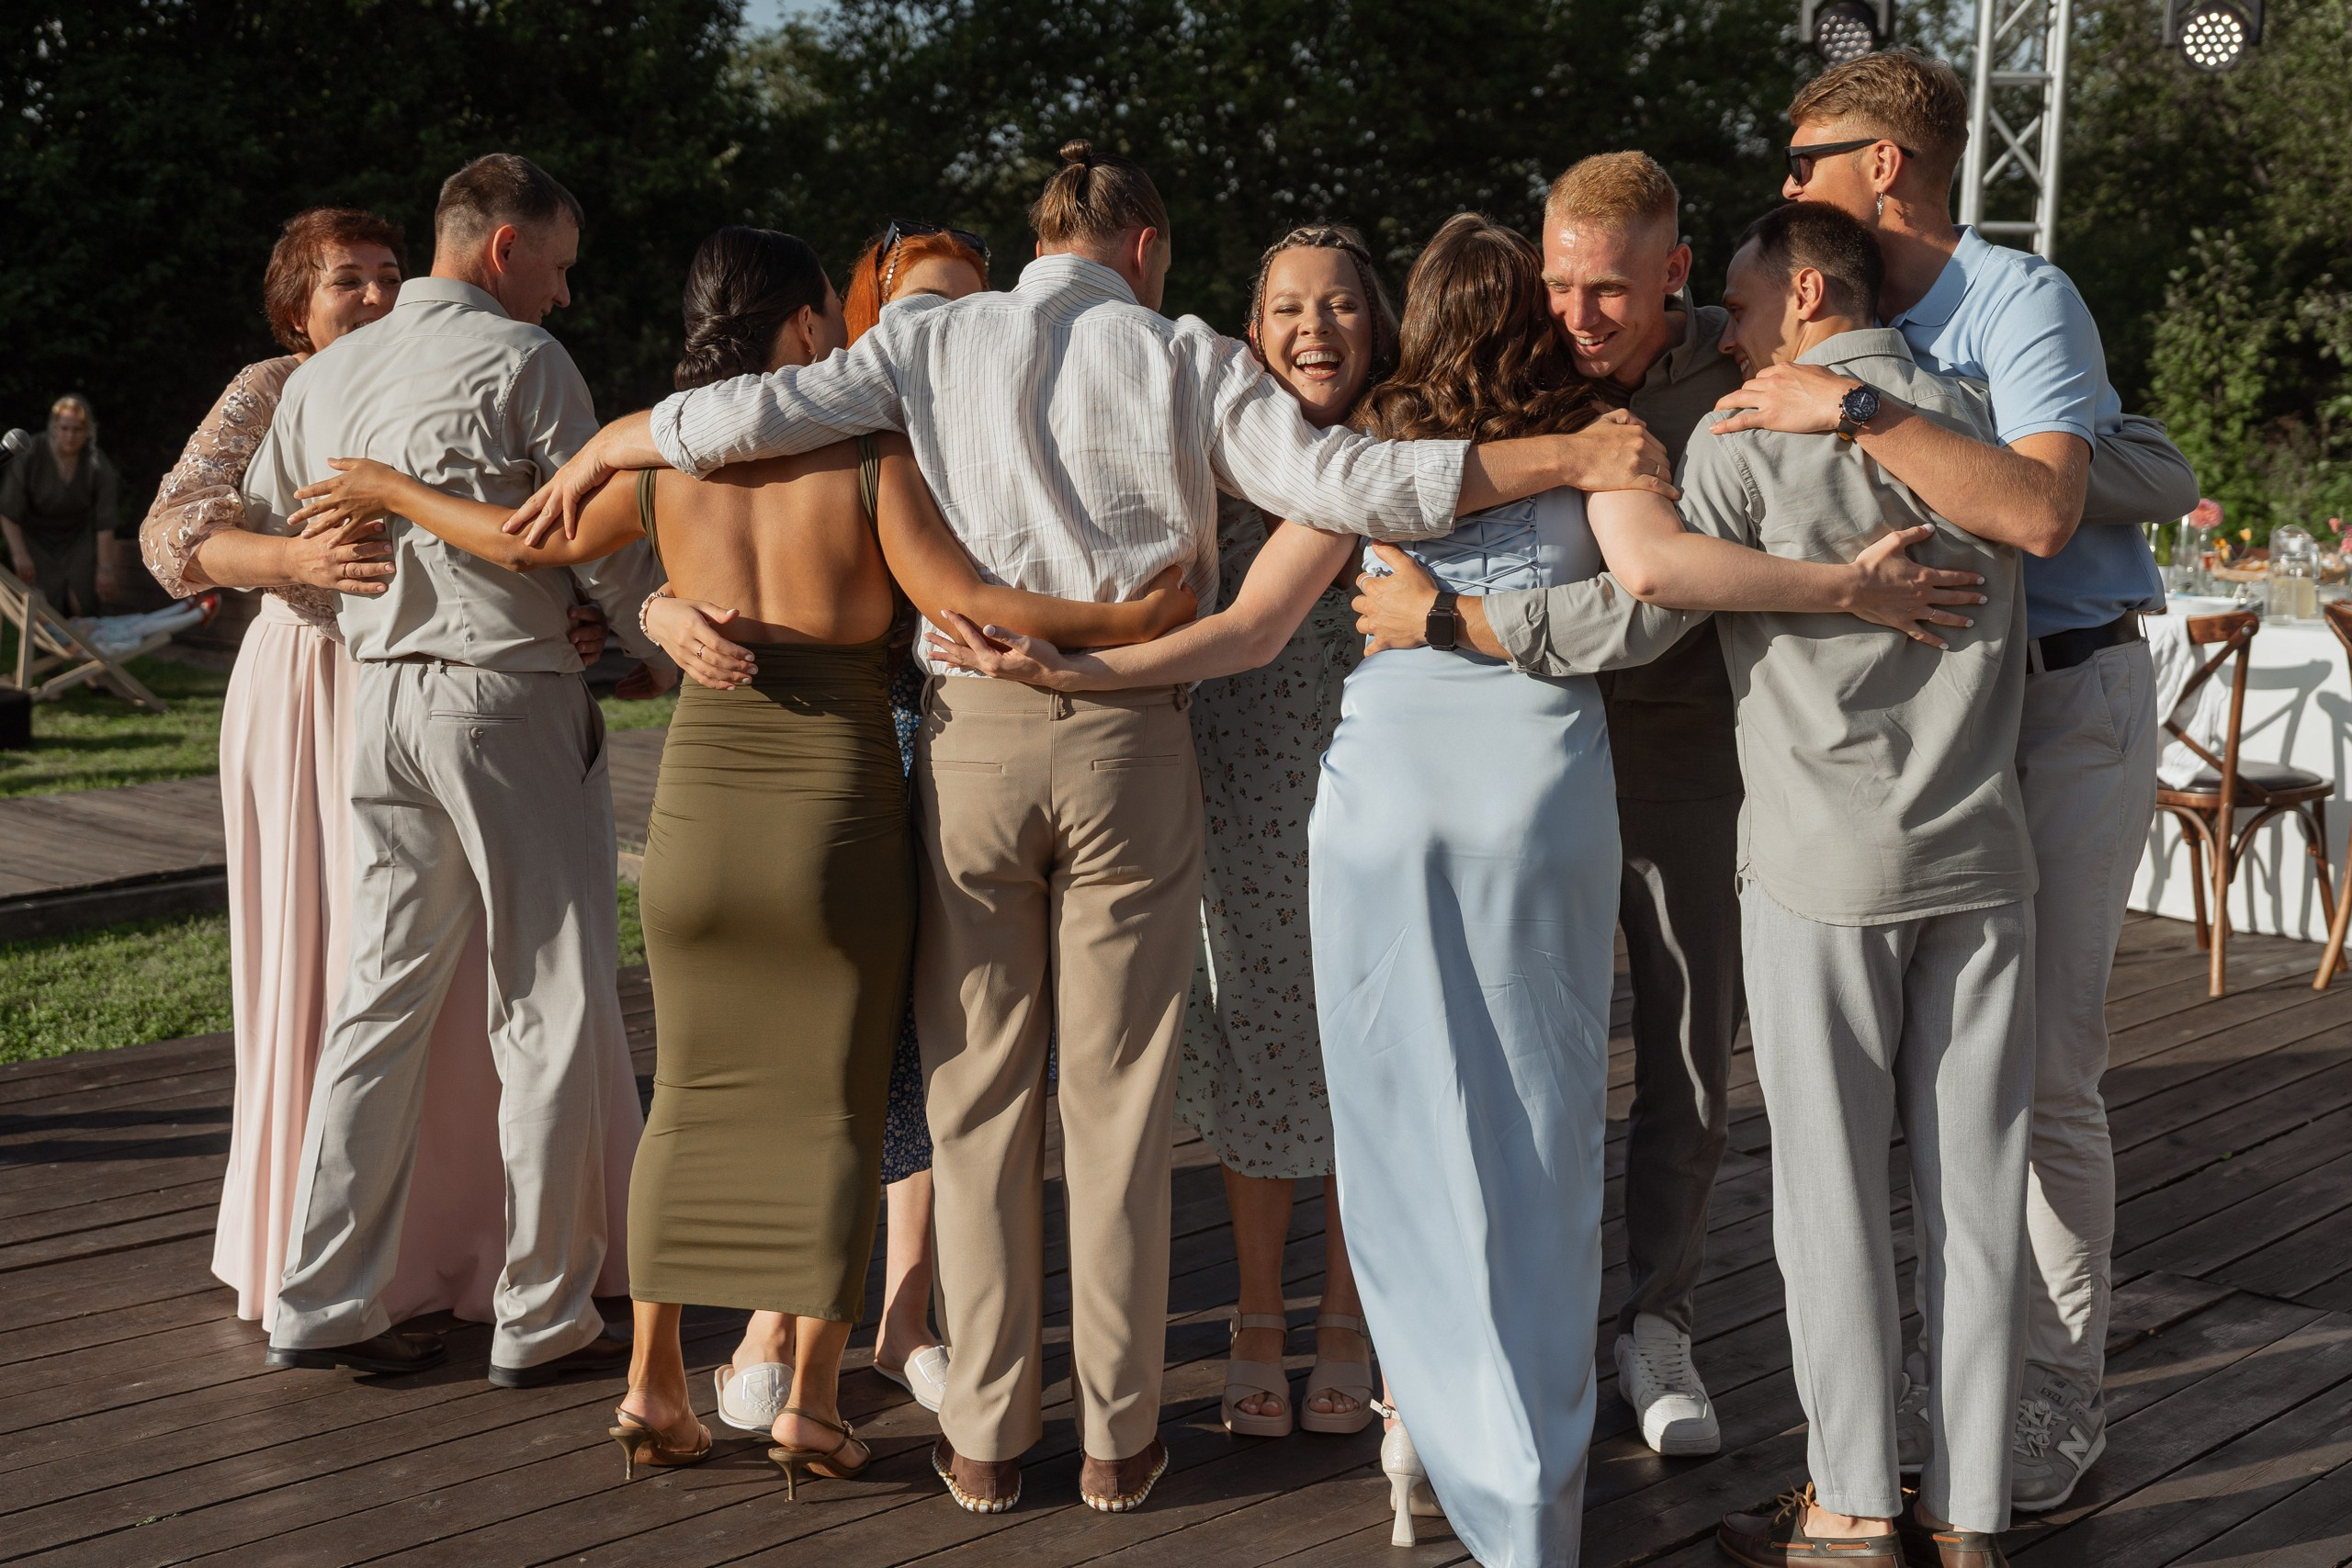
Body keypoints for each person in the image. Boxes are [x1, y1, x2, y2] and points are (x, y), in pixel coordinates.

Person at [509, 141, 1686, 1517]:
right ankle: (1119, 1441)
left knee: (977, 1091)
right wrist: (1560, 453)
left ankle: (986, 1435)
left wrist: (616, 436)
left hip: (974, 742)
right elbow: (1351, 485)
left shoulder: (927, 339)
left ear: (1040, 240)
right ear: (1145, 249)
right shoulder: (1188, 356)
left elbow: (749, 415)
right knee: (1119, 1097)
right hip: (1133, 739)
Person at [930, 212, 1987, 1568]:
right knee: (1539, 1122)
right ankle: (1530, 1469)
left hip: (1385, 803)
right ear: (1531, 319)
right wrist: (1843, 587)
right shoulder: (1601, 439)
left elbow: (1244, 630)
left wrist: (1079, 672)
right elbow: (1659, 579)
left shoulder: (1374, 459)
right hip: (1534, 797)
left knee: (1396, 1121)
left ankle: (1411, 1422)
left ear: (1412, 322)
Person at [289, 225, 1196, 1489]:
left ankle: (655, 1384)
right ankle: (811, 1404)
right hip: (835, 815)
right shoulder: (868, 455)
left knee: (692, 1094)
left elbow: (517, 538)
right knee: (838, 1103)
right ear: (811, 327)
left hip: (699, 818)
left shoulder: (665, 458)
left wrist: (392, 491)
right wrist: (1130, 615)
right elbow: (967, 604)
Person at [1716, 48, 2199, 1510]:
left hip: (2055, 702)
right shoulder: (1814, 313)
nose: (1785, 187)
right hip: (1908, 739)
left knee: (2040, 1080)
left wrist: (1860, 413)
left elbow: (2044, 511)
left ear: (1883, 167)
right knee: (1934, 1104)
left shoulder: (2017, 297)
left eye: (1805, 162)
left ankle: (2047, 1403)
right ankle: (1937, 1419)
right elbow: (2141, 467)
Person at [137, 207, 636, 1332]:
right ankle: (517, 1300)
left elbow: (509, 545)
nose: (371, 294)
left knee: (399, 986)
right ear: (294, 307)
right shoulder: (281, 387)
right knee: (462, 982)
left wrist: (572, 615)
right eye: (344, 281)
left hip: (399, 689)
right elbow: (174, 537)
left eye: (384, 273)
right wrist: (293, 556)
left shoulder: (407, 369)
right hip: (323, 682)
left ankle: (381, 1273)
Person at [245, 154, 668, 1387]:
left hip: (379, 701)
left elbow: (283, 533)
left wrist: (370, 604)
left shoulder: (324, 377)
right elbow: (591, 533)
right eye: (560, 266)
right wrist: (647, 638)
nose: (565, 294)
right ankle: (542, 1310)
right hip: (505, 700)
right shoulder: (526, 361)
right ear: (504, 247)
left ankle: (321, 1294)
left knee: (378, 999)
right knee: (549, 998)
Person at [1532, 151, 1749, 1459]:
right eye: (1559, 281)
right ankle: (1539, 1321)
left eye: (1608, 288)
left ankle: (1658, 1324)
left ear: (1675, 271)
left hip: (1692, 762)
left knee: (1685, 1060)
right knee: (1533, 1052)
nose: (1578, 313)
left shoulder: (1747, 365)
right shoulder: (1516, 360)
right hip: (1526, 756)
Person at [1185, 224, 1390, 1440]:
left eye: (1341, 305)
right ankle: (1257, 1314)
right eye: (1289, 308)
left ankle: (1348, 1313)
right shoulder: (1212, 462)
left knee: (1372, 1049)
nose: (1316, 327)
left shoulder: (1407, 450)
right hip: (1240, 791)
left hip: (1385, 793)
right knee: (1256, 1034)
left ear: (1379, 324)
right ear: (1252, 334)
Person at [4, 395, 122, 615]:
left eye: (77, 430)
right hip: (36, 538)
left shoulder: (96, 461)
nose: (70, 436)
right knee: (43, 609)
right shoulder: (31, 454)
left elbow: (105, 522)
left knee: (81, 602)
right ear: (54, 427)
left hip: (77, 538)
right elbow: (8, 511)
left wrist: (105, 567)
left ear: (88, 431)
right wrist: (19, 554)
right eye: (64, 428)